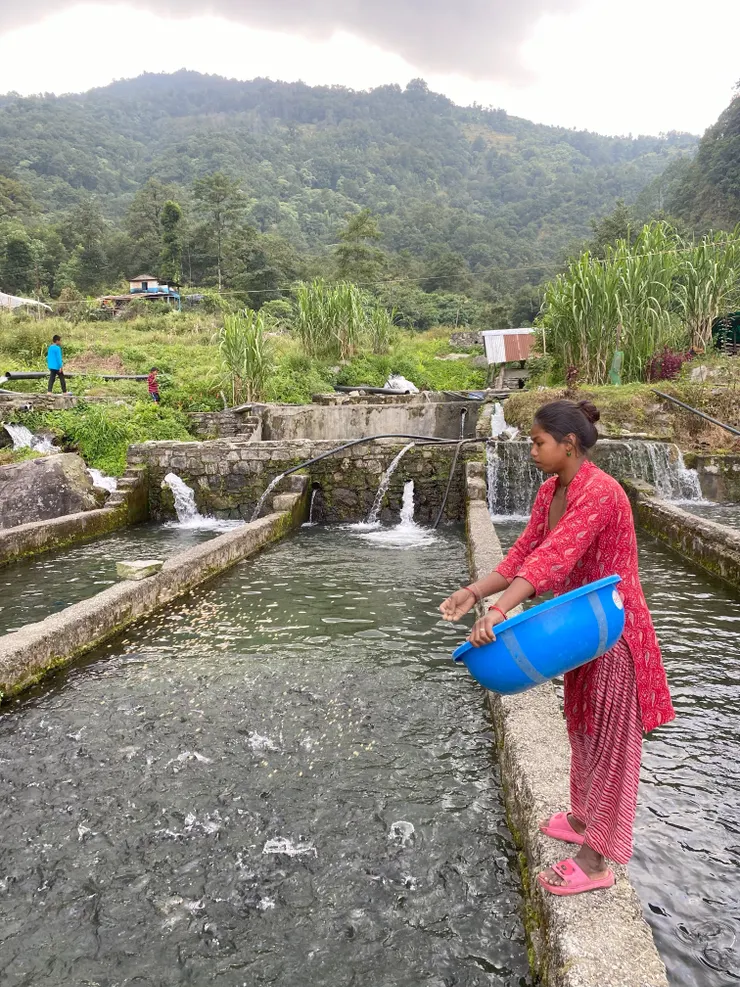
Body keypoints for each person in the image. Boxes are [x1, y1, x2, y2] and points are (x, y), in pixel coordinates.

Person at [440, 399, 674, 896]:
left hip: (616, 632)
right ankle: (585, 816)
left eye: (538, 441)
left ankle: (596, 862)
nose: (531, 450)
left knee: (614, 742)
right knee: (583, 722)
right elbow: (526, 551)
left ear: (569, 444)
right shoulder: (551, 490)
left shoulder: (601, 493)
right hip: (582, 629)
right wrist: (474, 592)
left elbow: (555, 558)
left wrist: (500, 613)